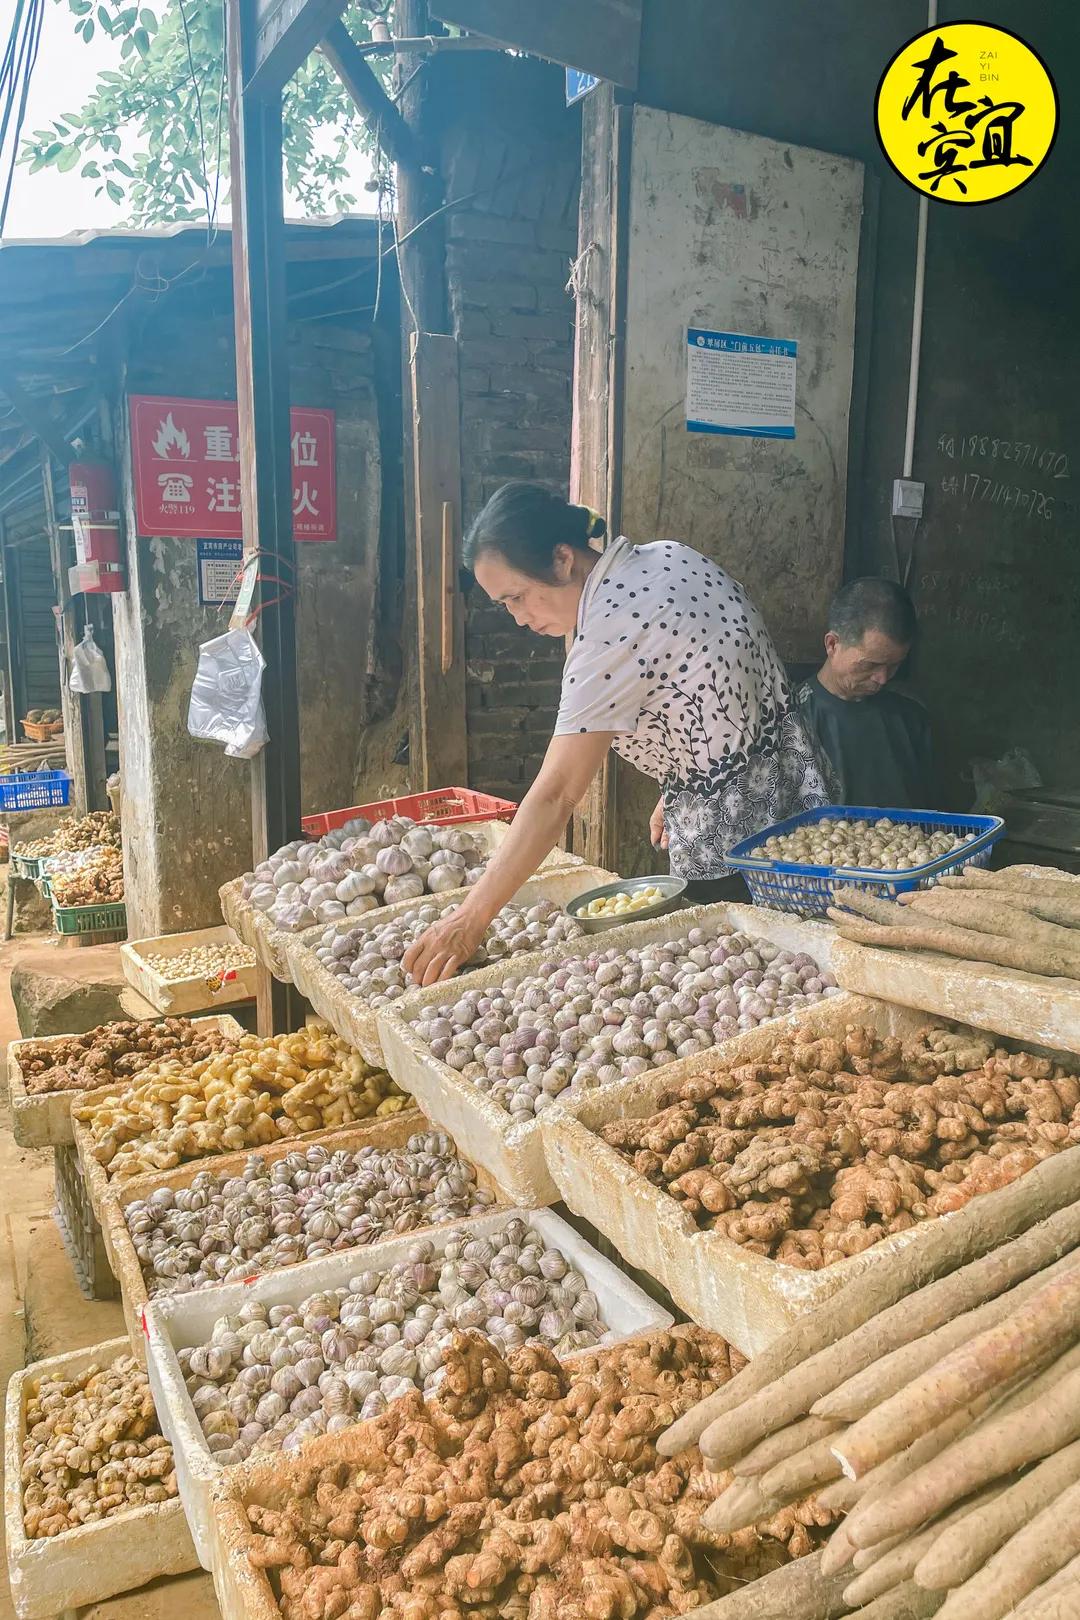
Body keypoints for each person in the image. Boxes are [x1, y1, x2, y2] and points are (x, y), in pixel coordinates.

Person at [403, 482, 834, 985]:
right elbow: (709, 679)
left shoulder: (610, 630)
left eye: (517, 597)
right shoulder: (669, 557)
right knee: (809, 950)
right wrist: (683, 780)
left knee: (770, 979)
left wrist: (468, 920)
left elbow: (557, 793)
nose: (519, 618)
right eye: (505, 606)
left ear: (563, 559)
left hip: (740, 847)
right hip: (801, 801)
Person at [796, 576, 936, 809]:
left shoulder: (912, 718)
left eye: (894, 665)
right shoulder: (795, 720)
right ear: (832, 645)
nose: (882, 678)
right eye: (869, 665)